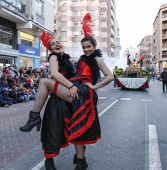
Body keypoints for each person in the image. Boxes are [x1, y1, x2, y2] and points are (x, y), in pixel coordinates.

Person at [20, 32, 113, 169]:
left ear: (94, 46)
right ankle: (80, 161)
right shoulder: (69, 58)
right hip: (72, 91)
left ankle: (34, 116)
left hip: (83, 92)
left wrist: (94, 86)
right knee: (75, 127)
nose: (87, 49)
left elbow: (110, 76)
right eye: (84, 47)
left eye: (89, 47)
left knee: (45, 81)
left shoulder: (97, 59)